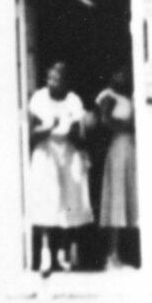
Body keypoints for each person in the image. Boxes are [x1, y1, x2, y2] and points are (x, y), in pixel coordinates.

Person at [26, 61, 92, 274]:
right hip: (45, 152)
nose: (52, 82)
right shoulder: (39, 98)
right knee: (47, 200)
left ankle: (63, 252)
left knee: (69, 201)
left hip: (68, 152)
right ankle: (45, 252)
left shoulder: (73, 100)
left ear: (65, 82)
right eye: (49, 78)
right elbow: (31, 134)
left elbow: (81, 134)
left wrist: (74, 128)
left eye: (57, 79)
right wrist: (49, 128)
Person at [94, 67, 138, 267]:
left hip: (131, 148)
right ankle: (112, 254)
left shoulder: (129, 96)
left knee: (130, 198)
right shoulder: (107, 96)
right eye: (118, 72)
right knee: (117, 199)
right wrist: (127, 127)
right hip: (118, 147)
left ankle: (127, 253)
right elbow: (104, 121)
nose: (122, 76)